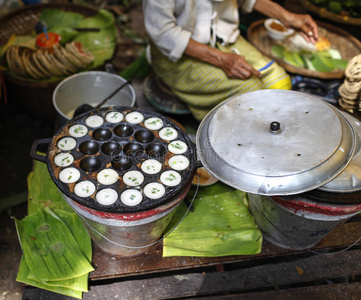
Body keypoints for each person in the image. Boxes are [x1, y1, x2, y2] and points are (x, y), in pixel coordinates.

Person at [143, 0, 319, 121]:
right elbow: (164, 32)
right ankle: (232, 147)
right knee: (249, 93)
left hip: (224, 38)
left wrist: (287, 17)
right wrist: (221, 59)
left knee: (279, 81)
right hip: (180, 51)